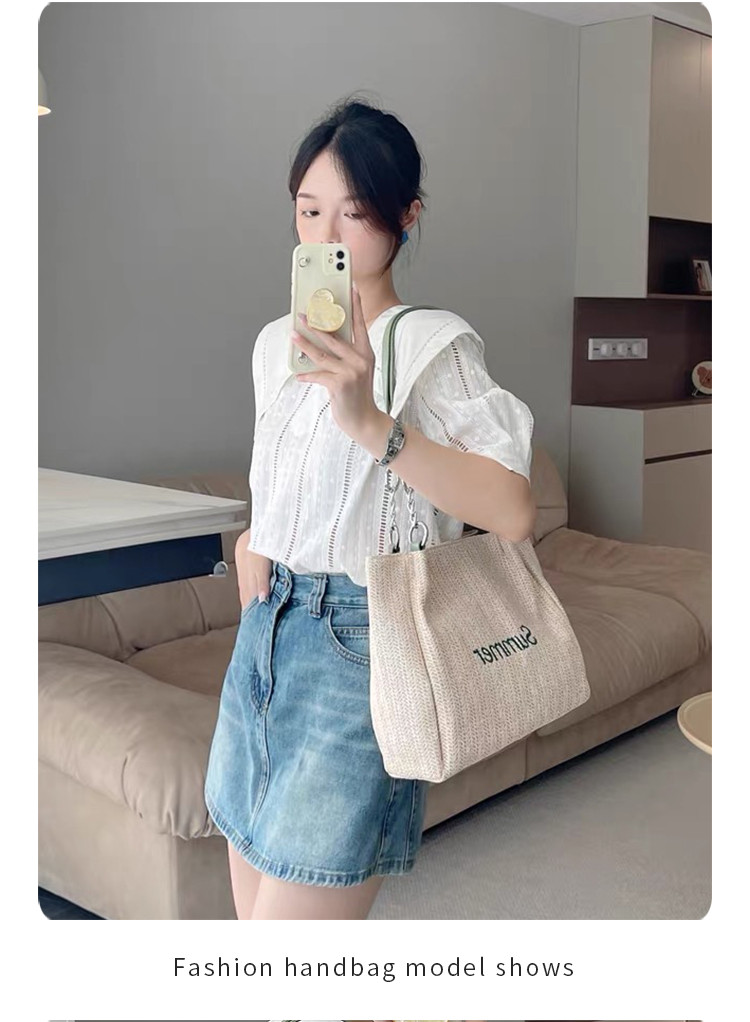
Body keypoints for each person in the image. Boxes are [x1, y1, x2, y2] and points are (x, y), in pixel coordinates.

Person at [204, 96, 535, 920]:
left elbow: (512, 510)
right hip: (266, 636)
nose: (326, 236)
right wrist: (255, 547)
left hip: (361, 647)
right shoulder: (273, 345)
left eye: (352, 214)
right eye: (308, 210)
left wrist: (370, 422)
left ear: (406, 216)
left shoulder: (432, 344)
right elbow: (281, 482)